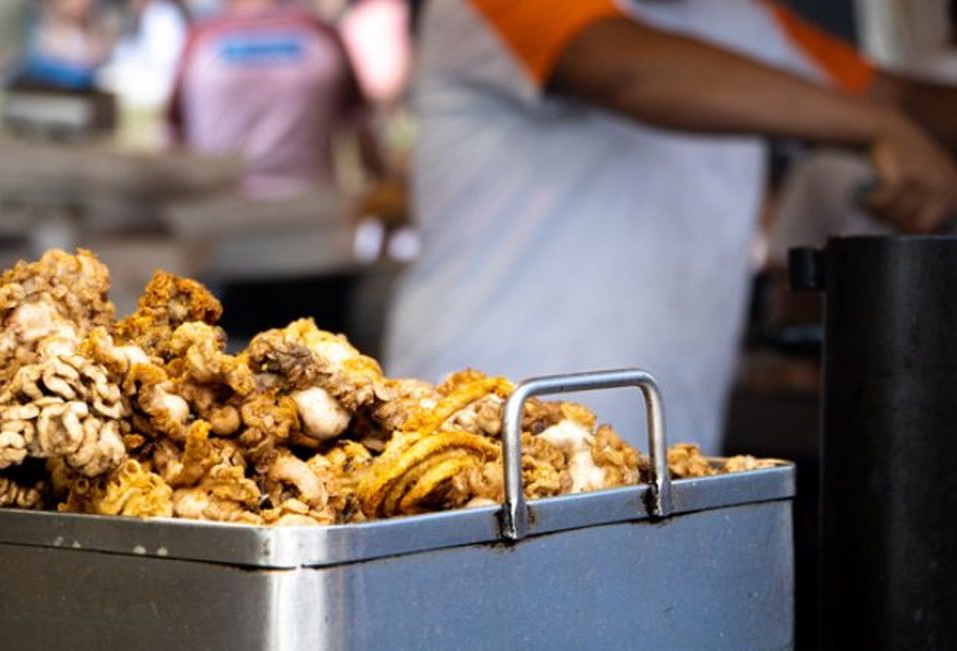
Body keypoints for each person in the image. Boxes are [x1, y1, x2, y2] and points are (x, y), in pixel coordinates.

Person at [383, 0, 957, 451]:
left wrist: (890, 122)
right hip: (483, 429)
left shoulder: (743, 18)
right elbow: (620, 69)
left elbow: (899, 97)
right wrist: (875, 130)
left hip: (660, 444)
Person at [168, 0, 381, 198]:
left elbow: (174, 143)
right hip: (312, 211)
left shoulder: (200, 41)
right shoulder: (322, 37)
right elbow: (361, 134)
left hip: (218, 214)